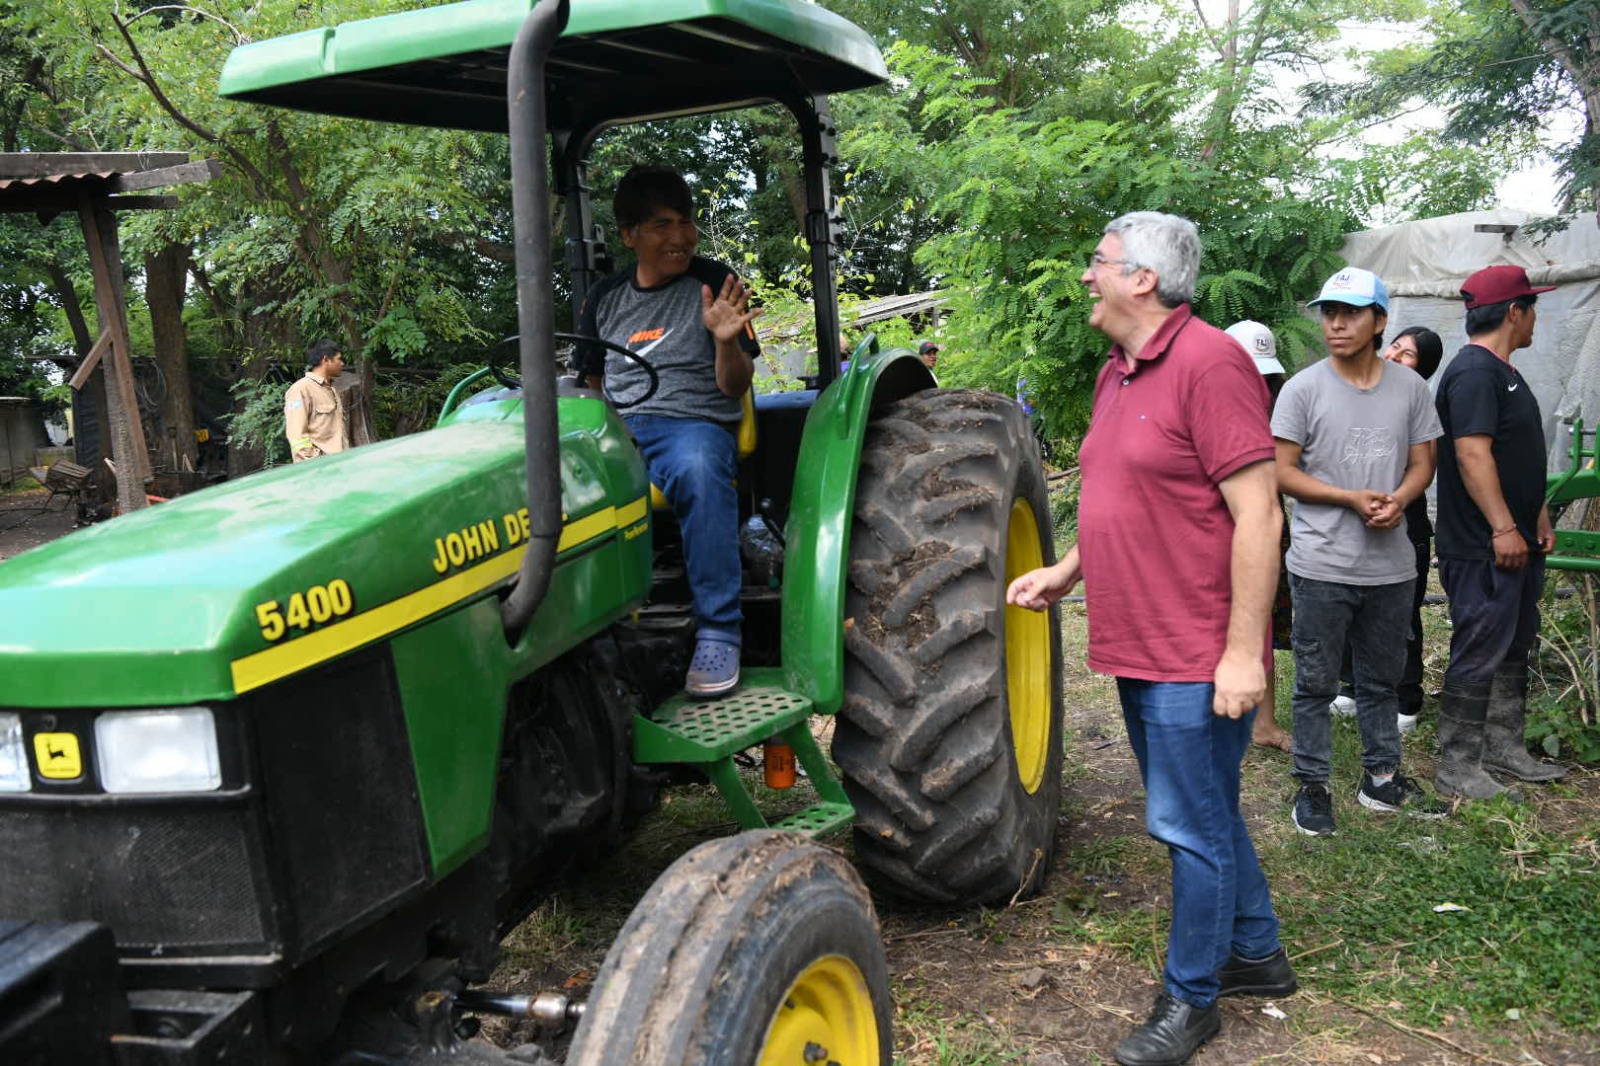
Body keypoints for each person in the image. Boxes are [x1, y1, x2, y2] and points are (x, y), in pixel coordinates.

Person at [1008, 212, 1293, 1066]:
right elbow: (1124, 494)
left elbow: (1259, 513)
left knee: (1185, 822)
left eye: (1098, 263)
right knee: (1203, 808)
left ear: (1142, 279)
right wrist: (1068, 569)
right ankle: (1257, 953)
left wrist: (1244, 654)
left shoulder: (1211, 364)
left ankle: (1192, 999)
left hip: (1191, 647)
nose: (1086, 276)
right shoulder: (1120, 372)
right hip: (1137, 638)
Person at [577, 165, 761, 698]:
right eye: (661, 225)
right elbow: (592, 387)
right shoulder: (604, 298)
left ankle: (720, 630)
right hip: (622, 429)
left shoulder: (715, 283)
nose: (679, 237)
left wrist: (727, 341)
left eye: (686, 222)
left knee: (698, 470)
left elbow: (733, 388)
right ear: (629, 235)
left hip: (695, 424)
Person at [1433, 264, 1565, 798]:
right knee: (1481, 643)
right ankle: (1458, 764)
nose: (1537, 317)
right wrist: (1504, 527)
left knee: (1513, 644)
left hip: (1515, 538)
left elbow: (1515, 456)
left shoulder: (1502, 370)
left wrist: (1535, 518)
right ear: (1515, 312)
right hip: (1483, 544)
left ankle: (1502, 747)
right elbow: (1472, 452)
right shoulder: (1474, 373)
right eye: (1533, 307)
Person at [1224, 320, 1292, 754]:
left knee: (1260, 622)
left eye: (1266, 378)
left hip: (1263, 535)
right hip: (1214, 536)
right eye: (1251, 376)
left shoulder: (1275, 417)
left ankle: (1263, 723)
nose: (1261, 387)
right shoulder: (1202, 412)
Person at [284, 339, 347, 462]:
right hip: (320, 470)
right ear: (326, 360)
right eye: (339, 359)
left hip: (339, 465)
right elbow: (297, 436)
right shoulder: (301, 390)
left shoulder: (331, 390)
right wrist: (316, 463)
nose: (342, 363)